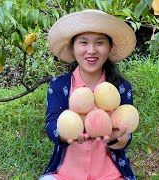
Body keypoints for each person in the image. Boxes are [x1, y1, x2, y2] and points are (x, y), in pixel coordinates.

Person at [41, 9, 137, 180]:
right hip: (65, 175)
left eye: (99, 43)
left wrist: (114, 138)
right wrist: (67, 134)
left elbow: (126, 138)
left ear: (110, 47)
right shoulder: (59, 85)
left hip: (111, 176)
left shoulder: (121, 88)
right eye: (83, 42)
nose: (91, 50)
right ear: (73, 47)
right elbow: (52, 126)